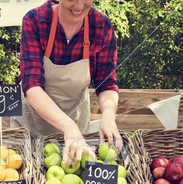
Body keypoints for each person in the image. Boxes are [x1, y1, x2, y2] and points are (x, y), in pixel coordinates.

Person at [11, 0, 123, 167]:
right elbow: (32, 85)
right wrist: (68, 127)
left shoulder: (101, 26)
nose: (78, 6)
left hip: (76, 125)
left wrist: (108, 116)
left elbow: (106, 83)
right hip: (33, 124)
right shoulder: (36, 20)